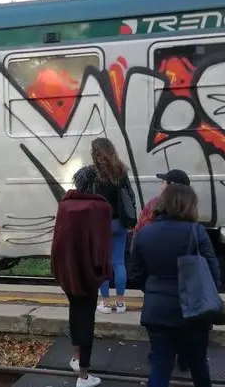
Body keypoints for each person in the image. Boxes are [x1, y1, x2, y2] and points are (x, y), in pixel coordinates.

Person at [129, 184, 220, 387]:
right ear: (189, 206)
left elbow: (135, 276)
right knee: (198, 365)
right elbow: (213, 270)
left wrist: (153, 291)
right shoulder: (196, 231)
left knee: (161, 367)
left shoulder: (145, 234)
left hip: (157, 311)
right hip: (194, 312)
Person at [50, 165, 112, 387]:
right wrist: (103, 271)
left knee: (76, 311)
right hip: (89, 272)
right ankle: (83, 376)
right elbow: (103, 244)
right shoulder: (101, 207)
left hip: (67, 271)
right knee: (87, 317)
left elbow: (58, 240)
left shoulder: (65, 206)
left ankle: (76, 358)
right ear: (96, 183)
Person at [132, 169, 191, 372]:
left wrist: (143, 282)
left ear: (170, 186)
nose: (160, 185)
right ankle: (184, 356)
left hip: (154, 279)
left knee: (158, 322)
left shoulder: (152, 206)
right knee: (184, 317)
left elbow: (138, 236)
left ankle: (158, 353)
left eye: (163, 182)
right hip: (183, 281)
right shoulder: (190, 213)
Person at [90, 138, 136, 314]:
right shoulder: (121, 171)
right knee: (119, 262)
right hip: (119, 222)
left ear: (96, 153)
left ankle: (106, 303)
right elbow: (130, 197)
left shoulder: (93, 173)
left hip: (100, 224)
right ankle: (121, 302)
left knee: (103, 262)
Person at [133, 169, 191, 237]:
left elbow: (138, 230)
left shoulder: (153, 204)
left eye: (163, 182)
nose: (161, 186)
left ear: (170, 186)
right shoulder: (190, 210)